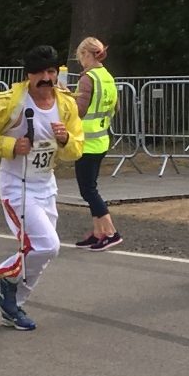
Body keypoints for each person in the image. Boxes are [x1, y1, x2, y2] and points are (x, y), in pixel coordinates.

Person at [0, 45, 84, 331]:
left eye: (51, 72)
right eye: (39, 73)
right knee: (46, 245)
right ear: (28, 75)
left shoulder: (65, 105)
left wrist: (66, 138)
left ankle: (14, 304)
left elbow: (76, 150)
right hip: (17, 186)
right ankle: (5, 276)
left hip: (46, 184)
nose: (46, 78)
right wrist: (9, 145)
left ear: (57, 73)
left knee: (45, 252)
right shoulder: (11, 102)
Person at [71, 37, 122, 251]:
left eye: (81, 56)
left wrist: (67, 98)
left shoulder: (88, 78)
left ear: (87, 54)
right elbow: (115, 108)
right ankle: (97, 232)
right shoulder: (107, 76)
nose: (80, 61)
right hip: (101, 138)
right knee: (90, 187)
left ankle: (110, 232)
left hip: (87, 140)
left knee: (88, 190)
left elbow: (79, 110)